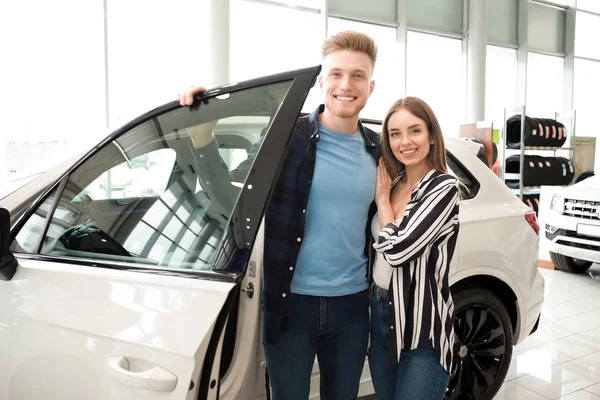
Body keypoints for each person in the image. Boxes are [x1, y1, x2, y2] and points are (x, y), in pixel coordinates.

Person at [178, 30, 381, 400]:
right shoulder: (286, 139)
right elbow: (232, 200)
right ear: (321, 82)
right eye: (336, 74)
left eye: (357, 76)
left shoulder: (378, 152)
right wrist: (203, 137)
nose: (346, 85)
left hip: (353, 307)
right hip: (290, 305)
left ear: (371, 86)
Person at [369, 97, 459, 400]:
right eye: (395, 134)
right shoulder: (391, 182)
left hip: (422, 330)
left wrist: (382, 202)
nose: (404, 141)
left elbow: (397, 252)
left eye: (415, 131)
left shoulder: (444, 188)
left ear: (432, 136)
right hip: (380, 318)